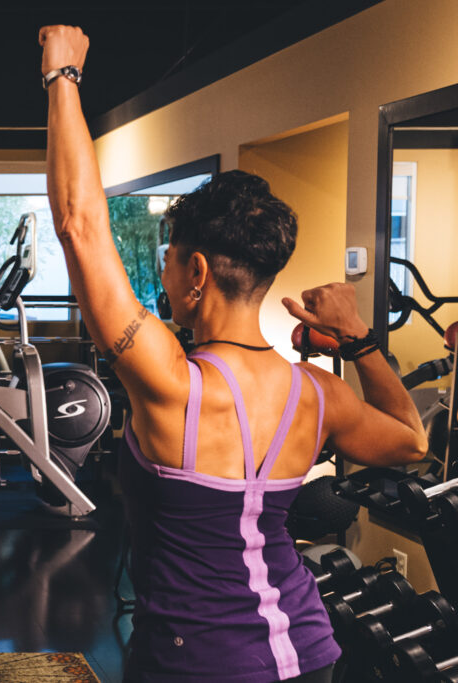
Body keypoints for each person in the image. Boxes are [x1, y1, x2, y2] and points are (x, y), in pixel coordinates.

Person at [38, 25, 427, 683]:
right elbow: (413, 441)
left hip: (198, 666)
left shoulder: (171, 381)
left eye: (164, 264)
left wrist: (62, 78)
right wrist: (359, 340)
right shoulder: (315, 393)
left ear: (195, 271)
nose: (161, 281)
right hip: (308, 654)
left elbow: (81, 225)